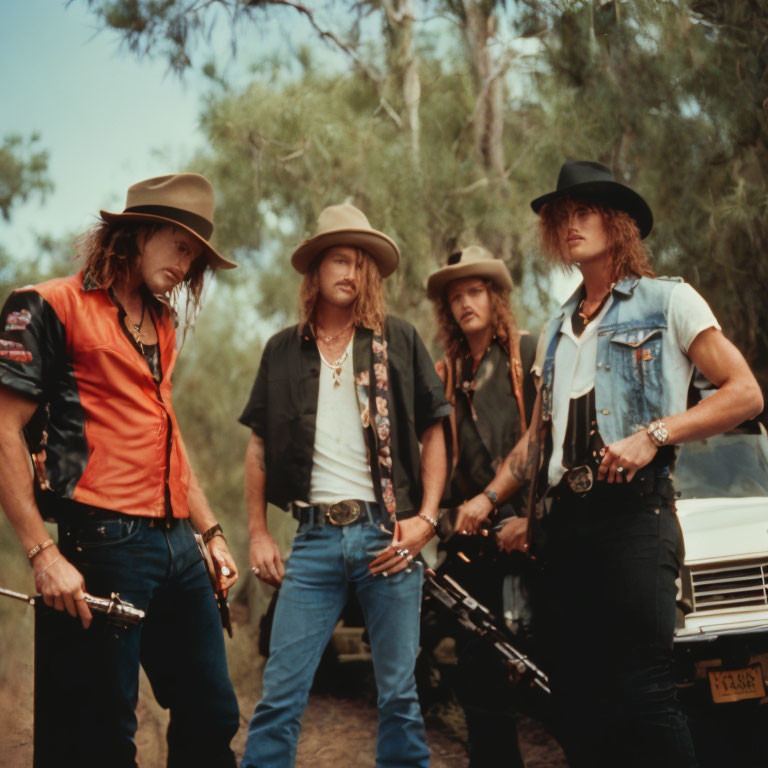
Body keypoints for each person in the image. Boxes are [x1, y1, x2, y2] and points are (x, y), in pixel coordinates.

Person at [526, 160, 764, 768]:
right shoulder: (555, 328)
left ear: (618, 223)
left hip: (635, 516)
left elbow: (744, 394)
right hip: (564, 528)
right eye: (564, 217)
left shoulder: (669, 300)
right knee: (576, 700)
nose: (572, 226)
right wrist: (494, 502)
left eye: (585, 213)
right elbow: (537, 440)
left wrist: (654, 434)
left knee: (645, 689)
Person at [0, 173, 241, 767]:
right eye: (179, 245)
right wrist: (42, 554)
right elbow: (2, 429)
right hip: (104, 543)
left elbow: (163, 428)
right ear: (137, 234)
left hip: (178, 545)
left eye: (196, 255)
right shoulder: (49, 306)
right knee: (97, 738)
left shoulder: (161, 321)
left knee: (212, 713)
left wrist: (208, 531)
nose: (186, 265)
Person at [239, 202, 451, 768]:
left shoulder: (398, 340)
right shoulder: (282, 349)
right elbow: (257, 446)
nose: (350, 274)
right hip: (312, 540)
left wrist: (426, 519)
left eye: (360, 263)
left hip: (387, 535)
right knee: (280, 694)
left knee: (400, 696)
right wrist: (259, 533)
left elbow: (435, 430)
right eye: (339, 259)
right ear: (315, 269)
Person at [425, 245, 539, 767]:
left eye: (475, 292)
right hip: (473, 545)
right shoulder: (443, 375)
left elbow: (548, 442)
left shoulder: (530, 355)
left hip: (534, 535)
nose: (466, 303)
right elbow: (432, 465)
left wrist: (525, 517)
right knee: (476, 671)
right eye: (455, 297)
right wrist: (444, 521)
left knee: (559, 670)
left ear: (494, 298)